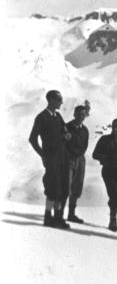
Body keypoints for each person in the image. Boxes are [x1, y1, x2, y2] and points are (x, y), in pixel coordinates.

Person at [28, 90, 70, 229]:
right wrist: (43, 154)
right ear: (51, 100)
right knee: (53, 187)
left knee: (63, 186)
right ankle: (48, 217)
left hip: (62, 157)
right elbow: (32, 139)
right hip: (51, 158)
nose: (61, 102)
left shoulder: (58, 116)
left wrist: (67, 135)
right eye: (59, 99)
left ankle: (58, 217)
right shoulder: (41, 117)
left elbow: (65, 131)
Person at [92, 118, 117, 232]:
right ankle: (112, 221)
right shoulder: (104, 139)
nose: (114, 129)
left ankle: (113, 218)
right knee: (114, 195)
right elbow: (95, 154)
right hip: (108, 170)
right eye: (113, 126)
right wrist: (107, 158)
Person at [64, 105, 90, 223]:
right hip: (68, 160)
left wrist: (79, 155)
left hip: (80, 160)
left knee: (77, 186)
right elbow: (62, 143)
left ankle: (71, 214)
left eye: (83, 115)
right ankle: (58, 214)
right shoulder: (67, 127)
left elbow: (85, 145)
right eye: (79, 114)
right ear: (74, 114)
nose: (81, 117)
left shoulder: (85, 130)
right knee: (66, 185)